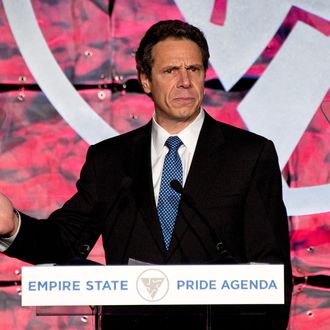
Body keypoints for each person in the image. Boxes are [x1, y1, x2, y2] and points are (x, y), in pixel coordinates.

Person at [0, 20, 292, 329]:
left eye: (193, 69)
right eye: (170, 71)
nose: (184, 82)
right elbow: (65, 242)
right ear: (146, 80)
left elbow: (271, 272)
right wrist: (12, 225)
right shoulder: (110, 161)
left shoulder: (249, 155)